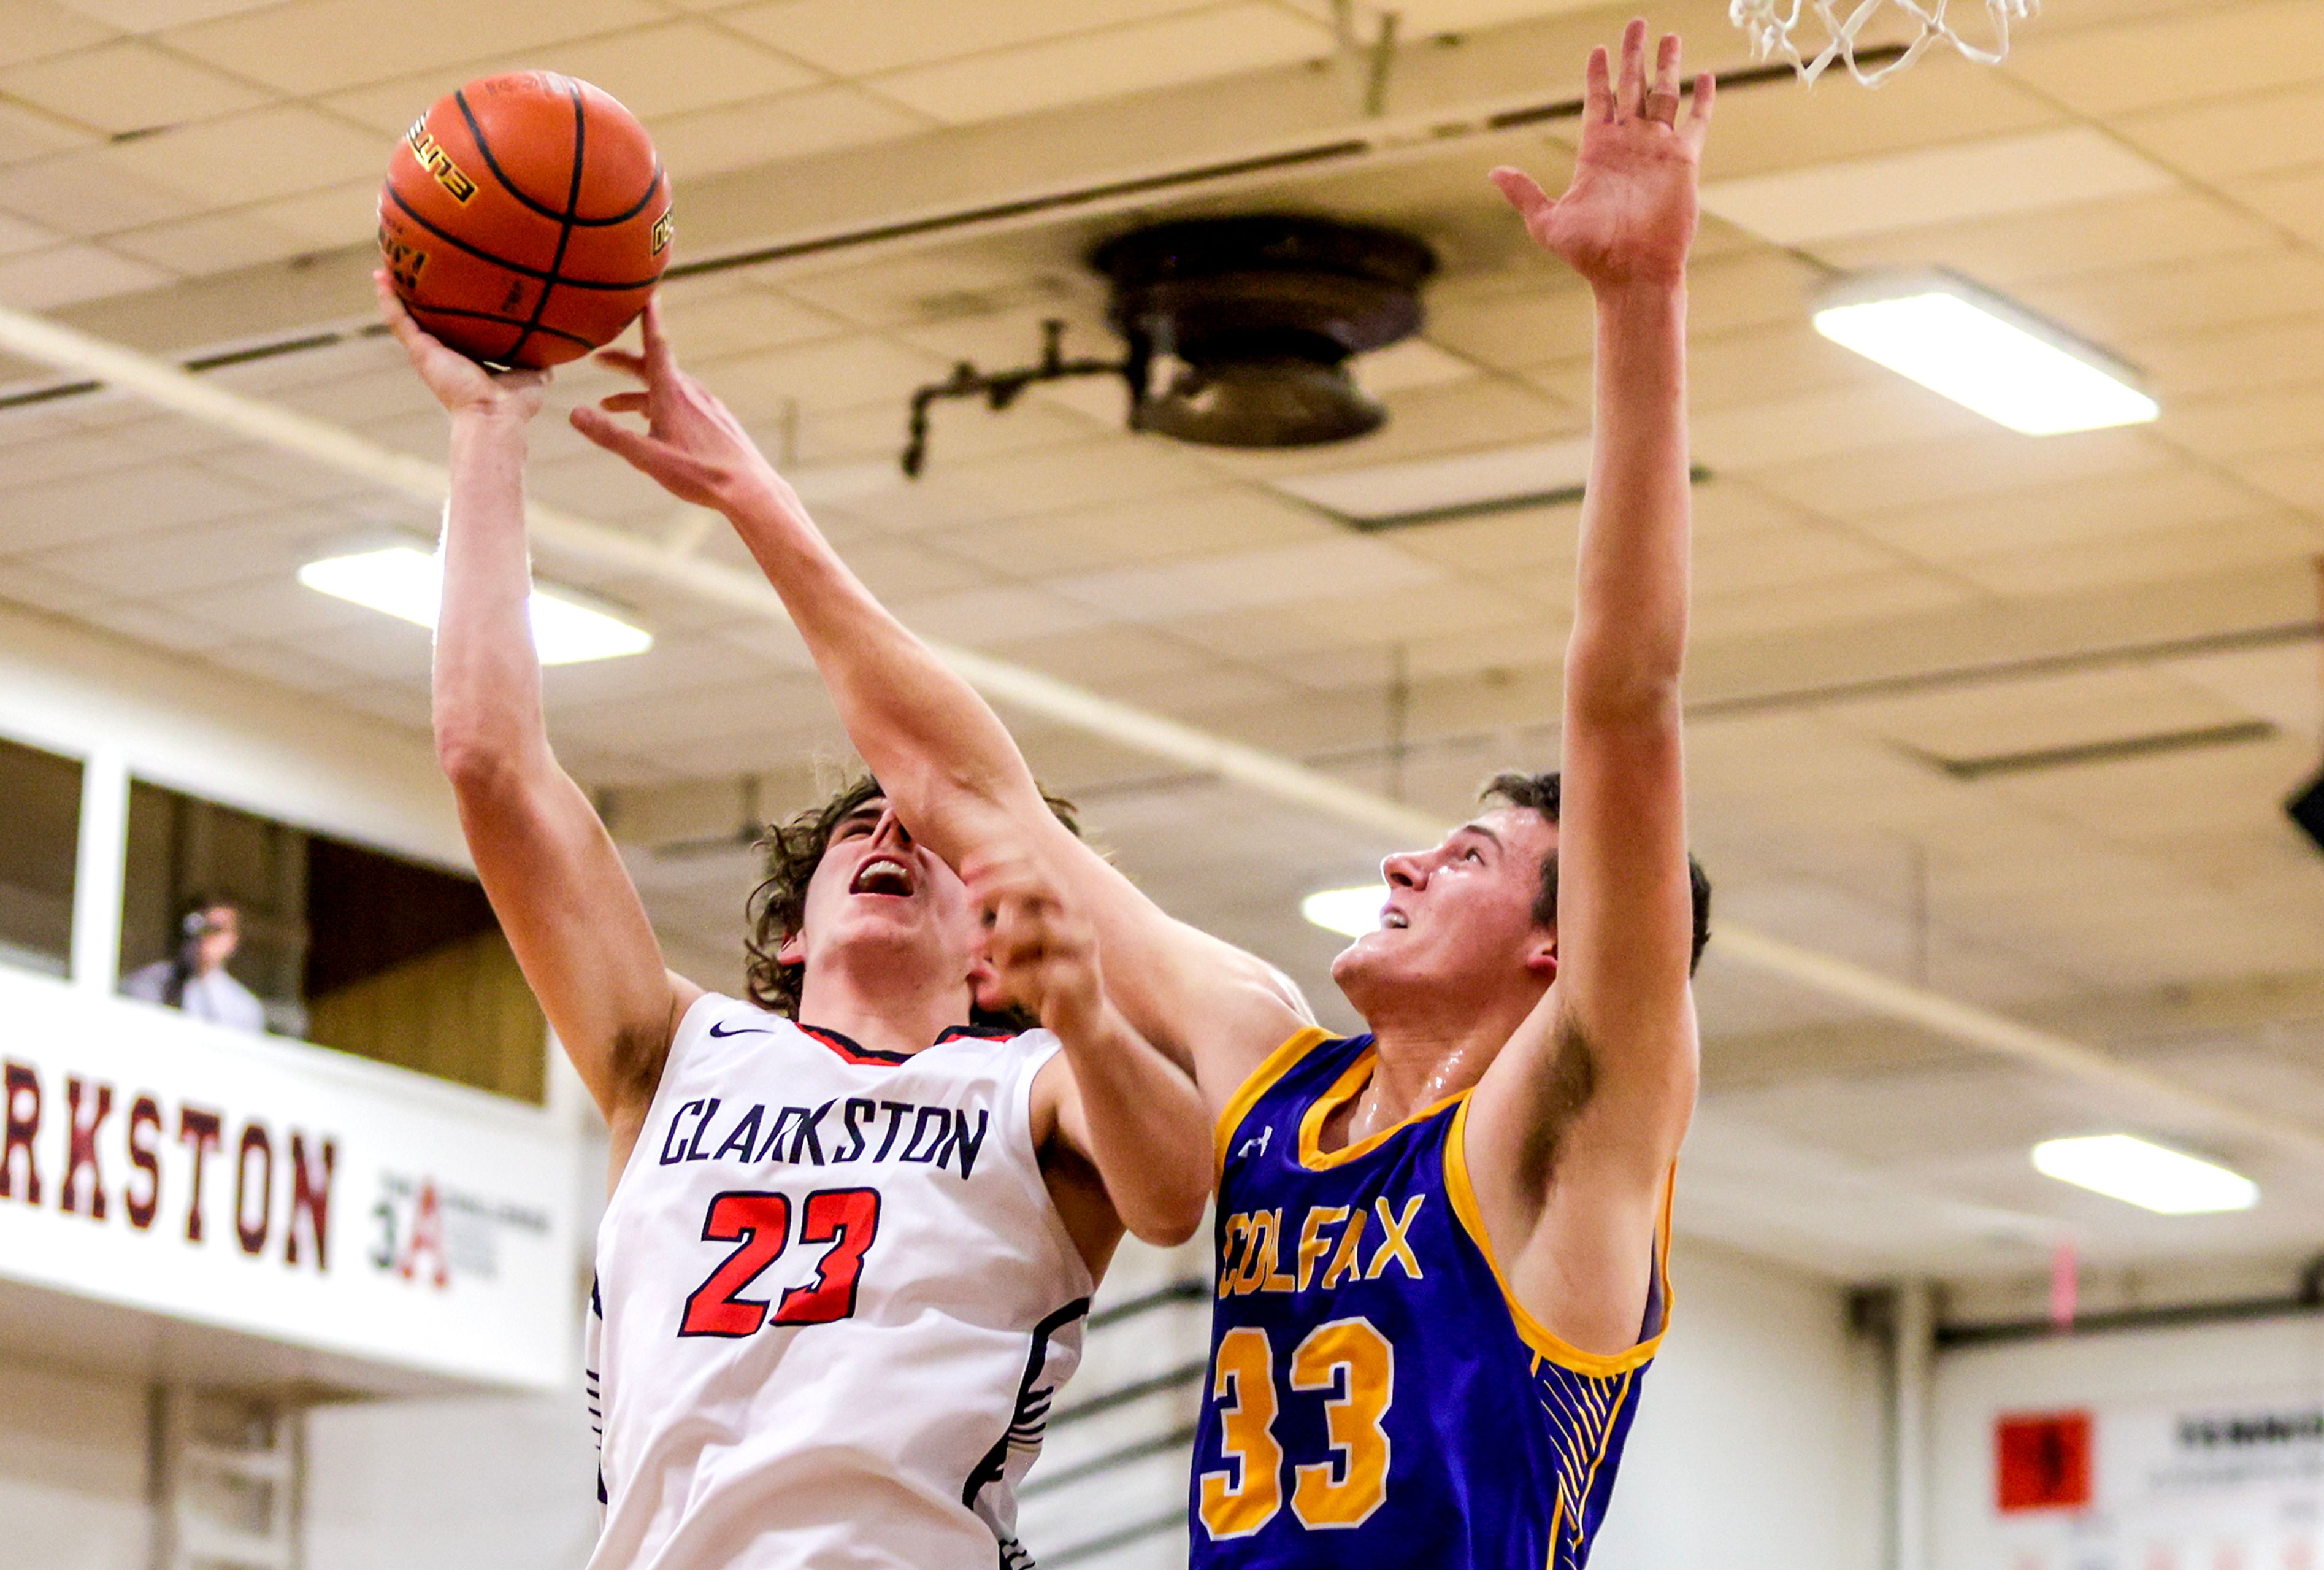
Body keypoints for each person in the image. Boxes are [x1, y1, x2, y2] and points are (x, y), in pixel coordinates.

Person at [575, 21, 1709, 1566]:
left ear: (1554, 947)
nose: (1401, 858)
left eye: (1462, 856)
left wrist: (1638, 305)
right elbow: (970, 789)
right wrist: (762, 508)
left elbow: (1624, 699)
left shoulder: (1568, 1124)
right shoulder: (1277, 1080)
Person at [375, 272, 1216, 1570]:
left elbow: (1173, 1192)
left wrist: (1093, 1014)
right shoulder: (670, 1054)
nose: (889, 833)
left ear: (990, 949)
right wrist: (487, 434)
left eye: (930, 841)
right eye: (856, 831)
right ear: (788, 936)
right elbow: (491, 762)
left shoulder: (1025, 1085)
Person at [123, 896, 267, 1033]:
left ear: (233, 941)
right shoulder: (148, 984)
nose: (205, 936)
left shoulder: (244, 1009)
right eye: (199, 926)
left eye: (217, 929)